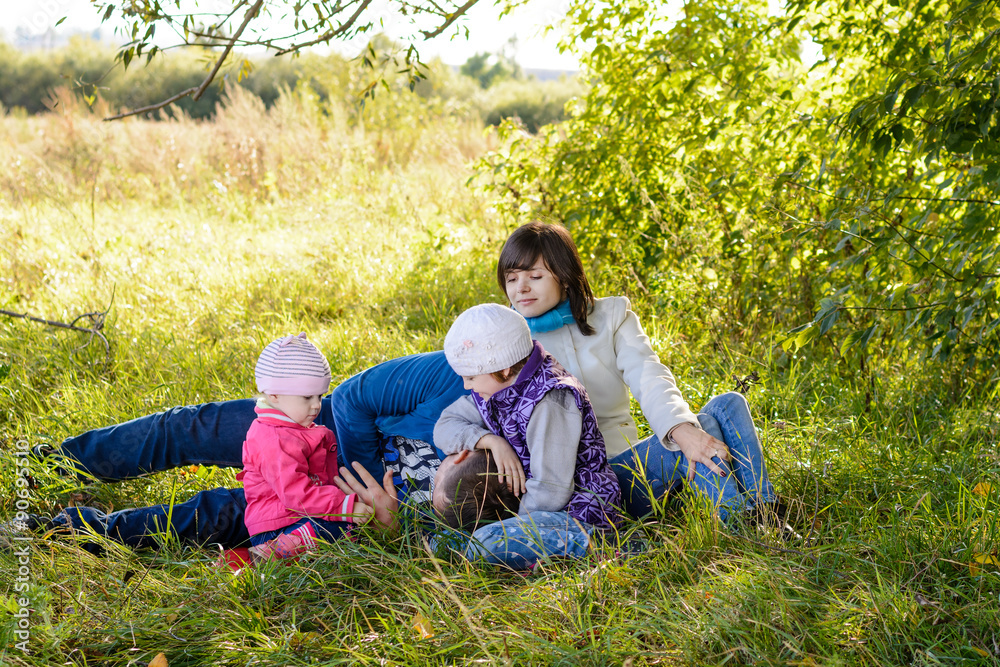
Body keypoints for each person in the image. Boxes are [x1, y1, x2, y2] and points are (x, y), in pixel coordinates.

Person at [496, 221, 784, 529]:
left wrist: (679, 429)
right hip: (581, 488)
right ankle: (741, 527)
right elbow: (464, 397)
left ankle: (764, 512)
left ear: (564, 277)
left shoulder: (611, 317)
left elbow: (650, 376)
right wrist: (487, 440)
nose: (521, 287)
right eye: (512, 279)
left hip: (628, 463)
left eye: (535, 276)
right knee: (707, 425)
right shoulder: (503, 338)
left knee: (728, 404)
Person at [433, 303, 622, 532]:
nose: (466, 385)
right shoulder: (499, 389)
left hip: (581, 509)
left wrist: (510, 530)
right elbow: (444, 426)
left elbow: (550, 490)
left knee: (488, 542)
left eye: (471, 377)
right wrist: (492, 441)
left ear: (503, 370)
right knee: (479, 539)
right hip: (539, 506)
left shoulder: (549, 402)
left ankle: (607, 543)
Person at [239, 333, 375, 561]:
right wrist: (343, 507)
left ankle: (297, 548)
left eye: (319, 396)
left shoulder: (292, 426)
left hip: (300, 515)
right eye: (306, 397)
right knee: (341, 528)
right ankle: (273, 553)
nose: (316, 405)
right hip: (280, 525)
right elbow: (296, 494)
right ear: (273, 394)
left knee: (351, 531)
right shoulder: (274, 439)